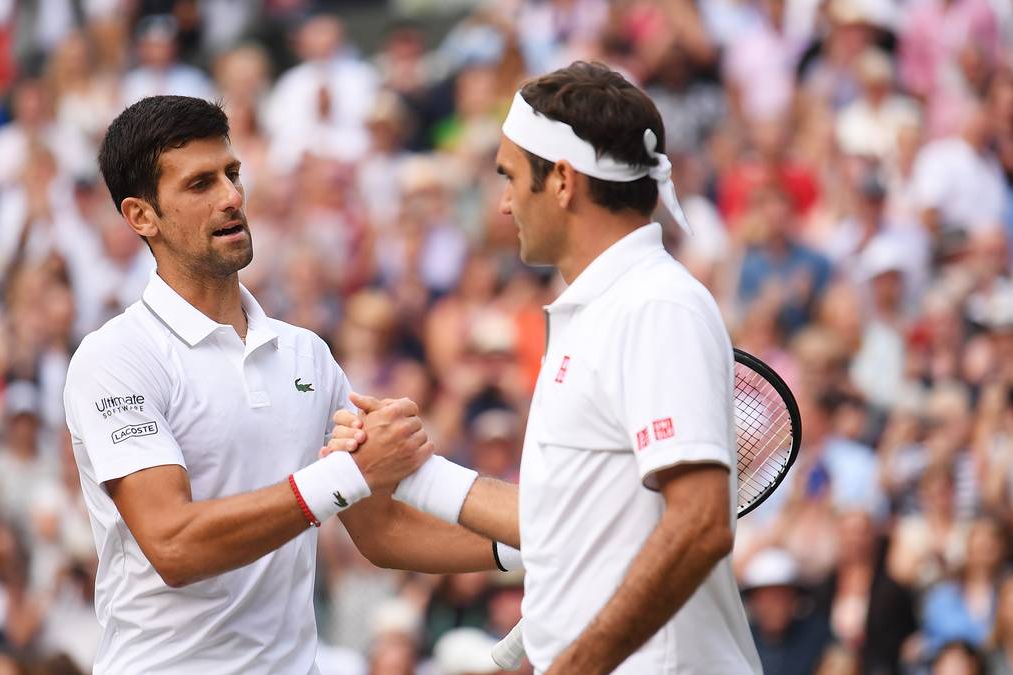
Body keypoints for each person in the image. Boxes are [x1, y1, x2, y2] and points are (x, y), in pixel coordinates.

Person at [328, 62, 761, 673]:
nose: (503, 205)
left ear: (561, 180)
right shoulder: (602, 309)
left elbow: (700, 526)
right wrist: (402, 470)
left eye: (509, 178)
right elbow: (550, 522)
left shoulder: (656, 305)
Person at [63, 95, 505, 674]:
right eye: (200, 185)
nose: (231, 197)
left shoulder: (307, 354)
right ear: (141, 216)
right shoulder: (115, 357)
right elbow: (174, 545)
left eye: (232, 173)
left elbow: (384, 531)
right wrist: (345, 475)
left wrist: (530, 550)